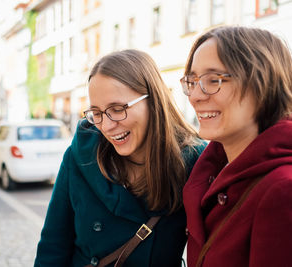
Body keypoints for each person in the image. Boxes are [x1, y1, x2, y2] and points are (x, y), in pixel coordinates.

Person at [34, 49, 206, 267]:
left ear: (152, 101)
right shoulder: (80, 156)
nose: (106, 126)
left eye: (117, 109)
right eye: (96, 113)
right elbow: (53, 246)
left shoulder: (193, 162)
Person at [181, 26, 292, 267]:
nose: (195, 96)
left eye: (213, 80)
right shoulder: (213, 173)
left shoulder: (290, 191)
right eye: (192, 81)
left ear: (262, 83)